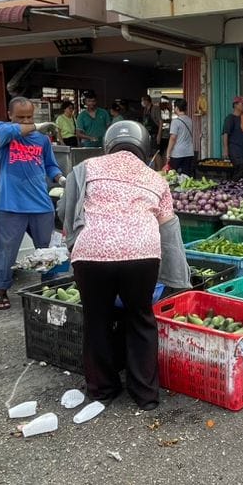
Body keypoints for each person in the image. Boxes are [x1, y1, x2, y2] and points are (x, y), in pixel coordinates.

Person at [60, 121, 189, 409]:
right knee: (140, 318)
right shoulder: (156, 179)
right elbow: (168, 228)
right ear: (144, 147)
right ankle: (145, 395)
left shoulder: (85, 168)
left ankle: (102, 389)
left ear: (108, 144)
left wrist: (73, 242)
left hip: (92, 253)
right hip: (141, 254)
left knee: (97, 318)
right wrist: (177, 275)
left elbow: (65, 210)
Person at [0, 97, 67, 311]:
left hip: (41, 205)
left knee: (47, 251)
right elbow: (0, 136)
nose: (25, 121)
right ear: (10, 115)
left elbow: (50, 165)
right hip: (11, 205)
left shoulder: (41, 140)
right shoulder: (2, 130)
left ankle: (50, 289)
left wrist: (61, 178)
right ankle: (1, 291)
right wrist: (35, 126)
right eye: (20, 117)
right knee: (6, 250)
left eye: (30, 117)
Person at [221, 95, 243, 179]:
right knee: (241, 169)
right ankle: (231, 184)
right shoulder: (230, 118)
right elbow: (225, 134)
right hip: (234, 150)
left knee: (241, 171)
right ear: (235, 105)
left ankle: (236, 188)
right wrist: (225, 150)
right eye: (242, 104)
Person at [165, 98, 197, 177]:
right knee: (186, 177)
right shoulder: (189, 120)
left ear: (176, 108)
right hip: (189, 152)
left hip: (178, 153)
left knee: (174, 176)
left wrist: (168, 152)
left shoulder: (175, 121)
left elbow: (173, 138)